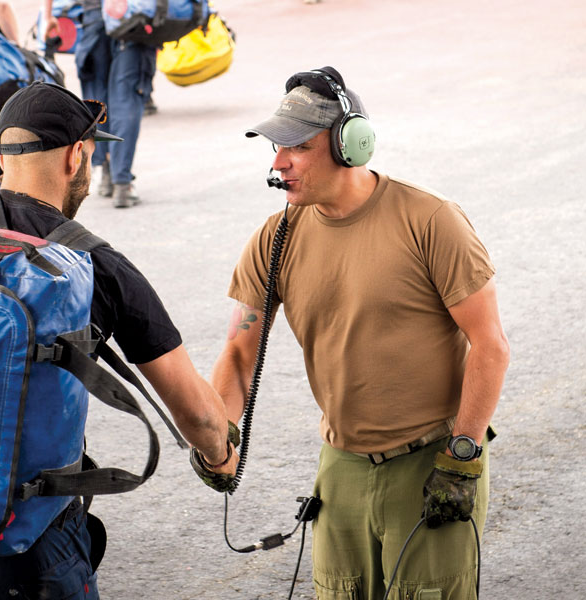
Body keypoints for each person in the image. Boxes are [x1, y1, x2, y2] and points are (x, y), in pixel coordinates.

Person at [0, 80, 237, 599]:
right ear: (76, 157)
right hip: (35, 541)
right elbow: (196, 412)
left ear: (4, 155)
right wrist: (220, 457)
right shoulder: (99, 267)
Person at [209, 67, 510, 599]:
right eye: (276, 149)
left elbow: (490, 345)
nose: (279, 163)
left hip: (432, 460)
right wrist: (218, 433)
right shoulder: (273, 239)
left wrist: (461, 458)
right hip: (341, 467)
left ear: (350, 144)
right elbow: (239, 350)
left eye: (296, 147)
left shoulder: (431, 220)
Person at [43, 0, 155, 208]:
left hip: (93, 16)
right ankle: (122, 182)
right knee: (126, 98)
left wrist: (48, 16)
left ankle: (104, 170)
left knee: (96, 99)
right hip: (131, 16)